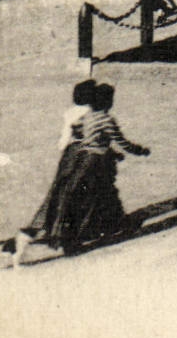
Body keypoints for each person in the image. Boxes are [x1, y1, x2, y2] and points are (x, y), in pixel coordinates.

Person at [52, 83, 149, 255]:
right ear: (107, 102)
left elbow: (80, 134)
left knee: (89, 195)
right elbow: (121, 141)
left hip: (82, 159)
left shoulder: (87, 117)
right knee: (99, 194)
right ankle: (80, 238)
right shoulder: (106, 119)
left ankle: (112, 224)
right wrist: (139, 150)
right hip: (99, 162)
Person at [5, 81, 95, 265]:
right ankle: (68, 238)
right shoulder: (92, 113)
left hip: (69, 156)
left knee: (57, 196)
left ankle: (30, 234)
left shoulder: (70, 113)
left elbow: (63, 142)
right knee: (78, 196)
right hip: (84, 157)